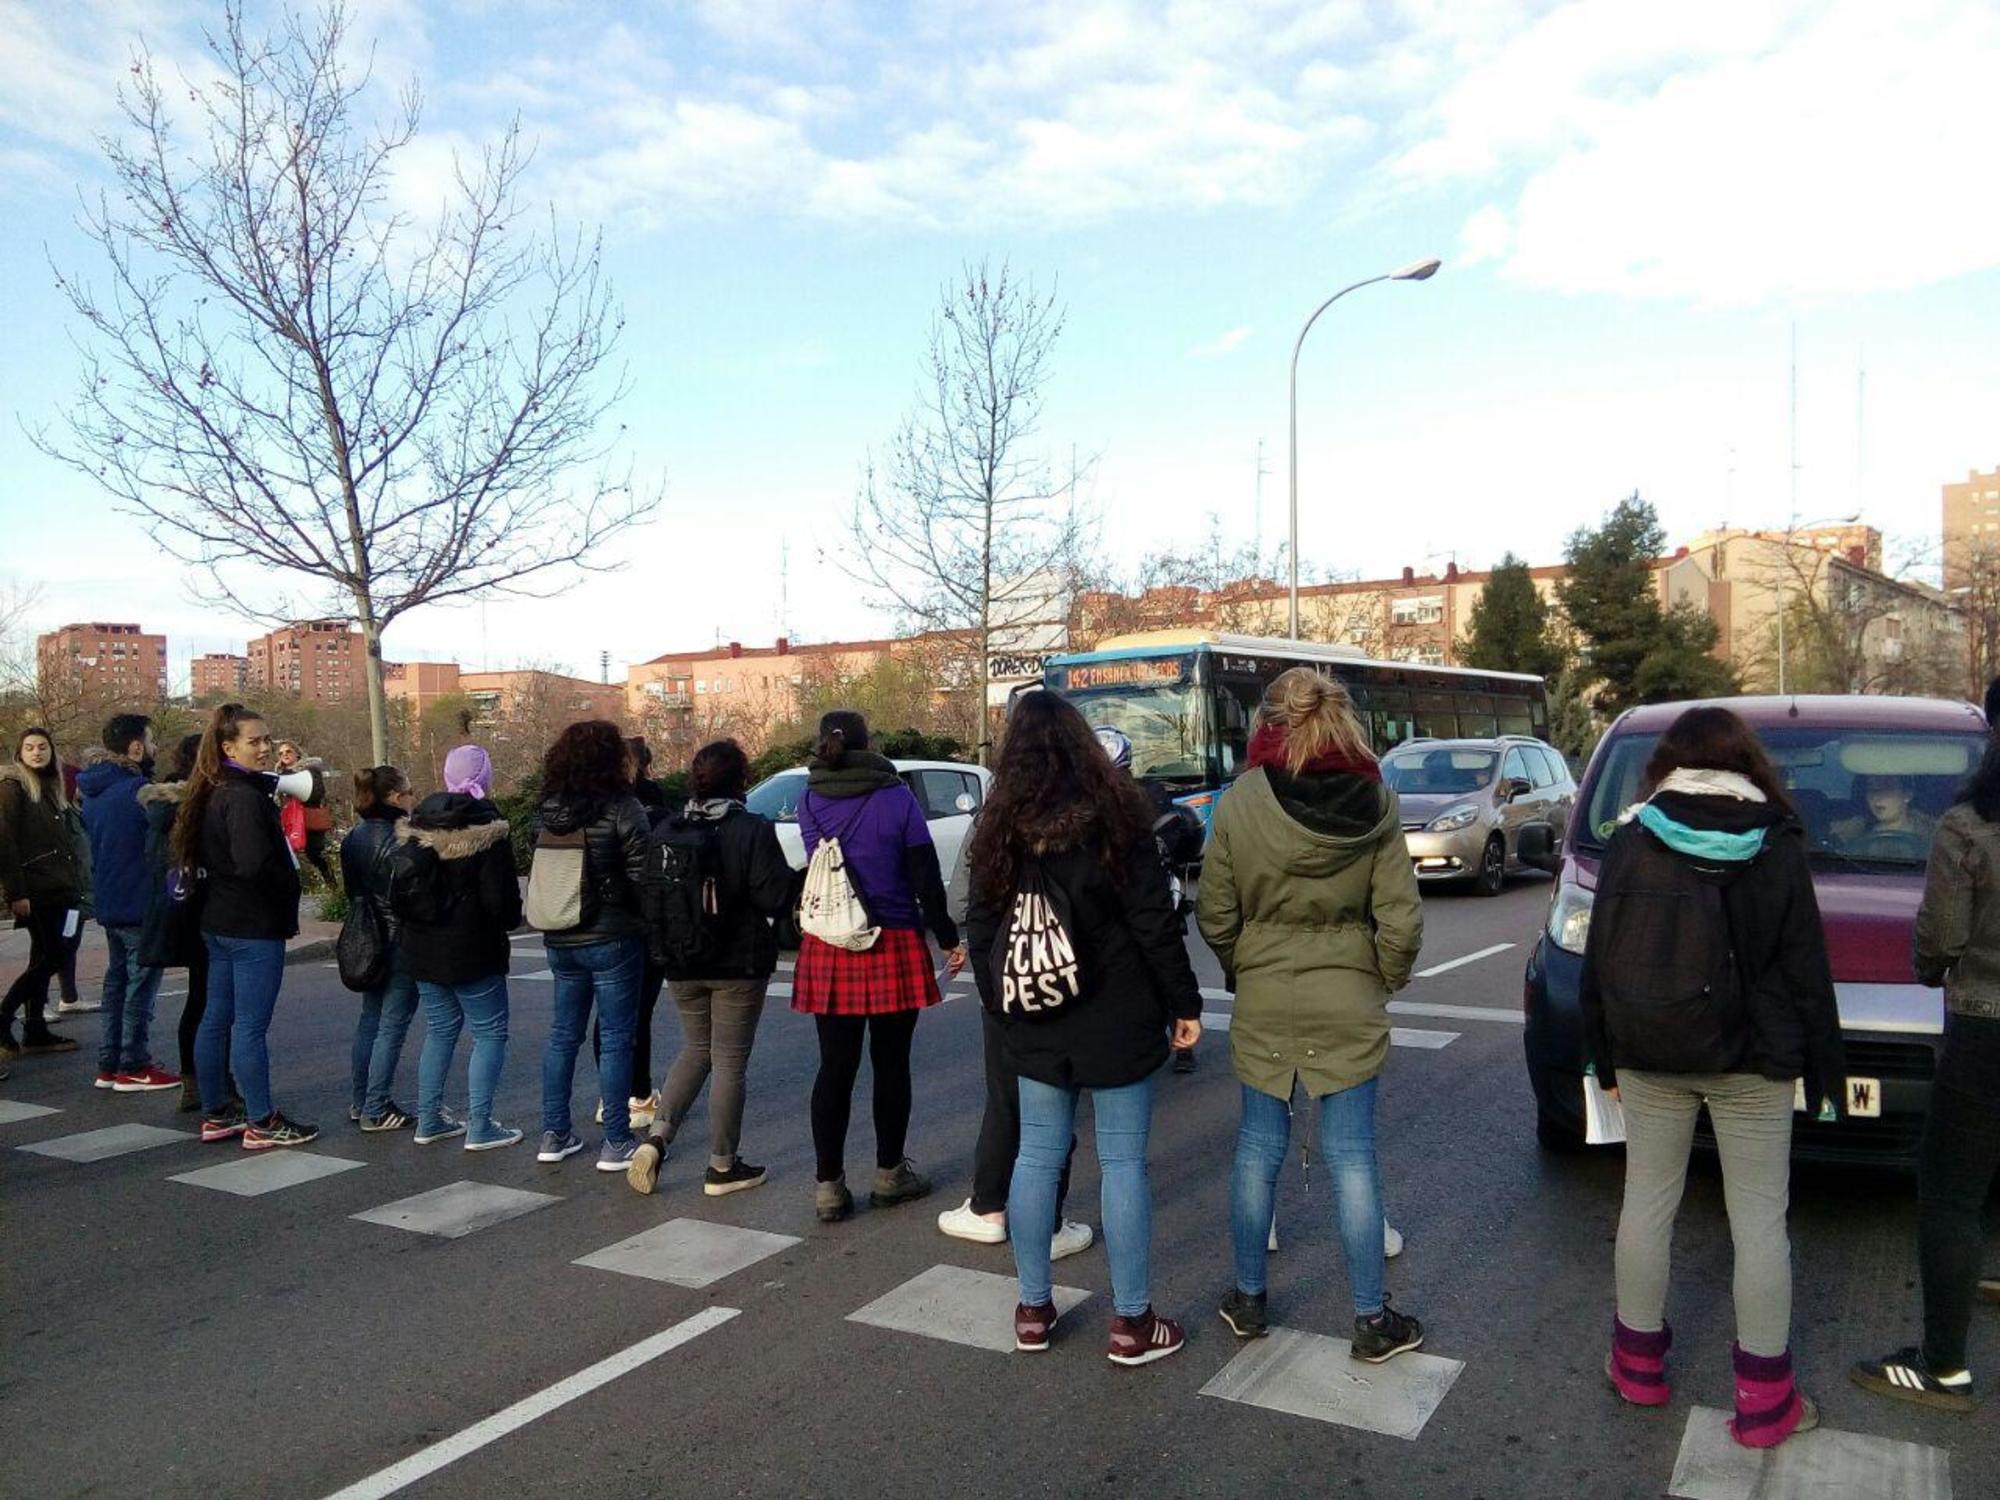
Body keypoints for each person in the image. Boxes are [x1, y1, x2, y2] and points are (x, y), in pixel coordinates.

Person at [1580, 705, 1843, 1449]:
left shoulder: (1634, 836)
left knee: (1647, 1202)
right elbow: (1805, 965)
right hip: (1754, 1058)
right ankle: (1764, 1403)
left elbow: (1602, 951)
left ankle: (1636, 1367)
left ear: (1669, 761)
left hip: (1652, 1048)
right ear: (1746, 763)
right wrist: (1824, 1067)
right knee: (1759, 1222)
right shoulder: (1778, 840)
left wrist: (1601, 1053)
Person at [1197, 668, 1427, 1366]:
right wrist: (1377, 980)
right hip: (1348, 995)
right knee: (1352, 1155)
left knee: (1258, 1147)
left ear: (1268, 721)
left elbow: (1215, 910)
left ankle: (1247, 1299)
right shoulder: (1376, 801)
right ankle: (1368, 1318)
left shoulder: (1239, 801)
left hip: (1266, 994)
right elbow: (1401, 920)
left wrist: (1245, 965)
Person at [967, 691, 1203, 1362]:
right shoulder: (1118, 817)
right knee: (1123, 1162)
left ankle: (1033, 1309)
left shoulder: (999, 826)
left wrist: (1000, 1001)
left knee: (1038, 1155)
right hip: (1118, 1010)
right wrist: (1183, 1005)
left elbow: (980, 926)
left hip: (1035, 1014)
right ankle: (1132, 1323)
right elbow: (1153, 923)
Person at [1853, 732, 2000, 1411]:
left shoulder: (1968, 827)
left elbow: (1941, 937)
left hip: (1986, 1024)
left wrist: (1930, 974)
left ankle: (1943, 1366)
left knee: (1950, 1193)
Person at [794, 710, 964, 1224]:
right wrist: (949, 938)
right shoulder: (896, 797)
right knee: (892, 1065)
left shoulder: (808, 798)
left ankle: (829, 1185)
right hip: (893, 938)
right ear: (869, 743)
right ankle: (890, 1174)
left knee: (834, 1067)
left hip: (831, 941)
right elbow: (926, 876)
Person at [628, 739, 796, 1197]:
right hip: (738, 962)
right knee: (728, 1061)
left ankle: (657, 1139)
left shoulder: (669, 826)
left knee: (695, 1048)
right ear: (741, 780)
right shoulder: (751, 829)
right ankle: (722, 1166)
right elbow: (775, 898)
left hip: (681, 959)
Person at [180, 703, 317, 1149]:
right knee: (250, 1026)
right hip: (253, 925)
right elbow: (253, 863)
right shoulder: (243, 797)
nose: (265, 748)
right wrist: (286, 881)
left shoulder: (213, 789)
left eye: (267, 739)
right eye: (254, 741)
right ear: (228, 746)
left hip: (219, 920)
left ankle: (218, 1112)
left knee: (216, 1017)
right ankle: (262, 1120)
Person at [533, 720, 651, 1172]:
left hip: (559, 932)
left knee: (563, 1035)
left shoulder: (545, 809)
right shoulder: (624, 808)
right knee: (618, 1037)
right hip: (614, 935)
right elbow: (642, 878)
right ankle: (616, 1140)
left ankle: (554, 1131)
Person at [395, 744, 525, 1150]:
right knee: (489, 1033)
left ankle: (429, 1118)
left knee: (439, 1031)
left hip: (421, 947)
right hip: (474, 949)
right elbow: (500, 903)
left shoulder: (420, 823)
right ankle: (480, 1125)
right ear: (484, 778)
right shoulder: (490, 829)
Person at [79, 714, 177, 1092]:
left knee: (117, 982)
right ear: (136, 747)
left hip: (109, 897)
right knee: (140, 984)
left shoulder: (95, 791)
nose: (152, 749)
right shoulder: (137, 791)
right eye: (150, 741)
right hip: (139, 899)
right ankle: (133, 1061)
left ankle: (110, 1062)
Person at [139, 733, 233, 1111]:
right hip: (207, 911)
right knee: (214, 1004)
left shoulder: (163, 807)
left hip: (178, 909)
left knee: (199, 1001)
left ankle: (192, 1081)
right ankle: (216, 1083)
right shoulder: (198, 805)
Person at [589, 735, 670, 1132]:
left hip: (591, 922)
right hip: (636, 923)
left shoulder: (585, 808)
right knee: (635, 1016)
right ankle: (634, 1095)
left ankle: (612, 1095)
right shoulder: (648, 810)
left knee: (606, 1018)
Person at [0, 727, 87, 1060]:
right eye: (30, 748)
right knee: (53, 956)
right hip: (35, 888)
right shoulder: (13, 787)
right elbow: (6, 843)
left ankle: (35, 1027)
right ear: (19, 753)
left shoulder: (52, 789)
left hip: (60, 887)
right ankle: (5, 1015)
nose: (36, 753)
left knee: (45, 956)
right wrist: (16, 892)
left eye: (42, 747)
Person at [341, 765, 420, 1131]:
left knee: (369, 1022)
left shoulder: (353, 836)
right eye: (408, 791)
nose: (412, 798)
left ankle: (362, 1100)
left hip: (364, 936)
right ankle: (377, 1105)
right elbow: (408, 893)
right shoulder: (399, 837)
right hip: (399, 938)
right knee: (392, 1025)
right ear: (393, 797)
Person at [274, 739, 333, 883]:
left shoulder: (311, 771)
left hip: (309, 817)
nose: (285, 755)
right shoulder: (281, 775)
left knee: (314, 853)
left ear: (297, 754)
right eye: (281, 753)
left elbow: (318, 792)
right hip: (290, 819)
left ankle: (332, 883)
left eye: (288, 751)